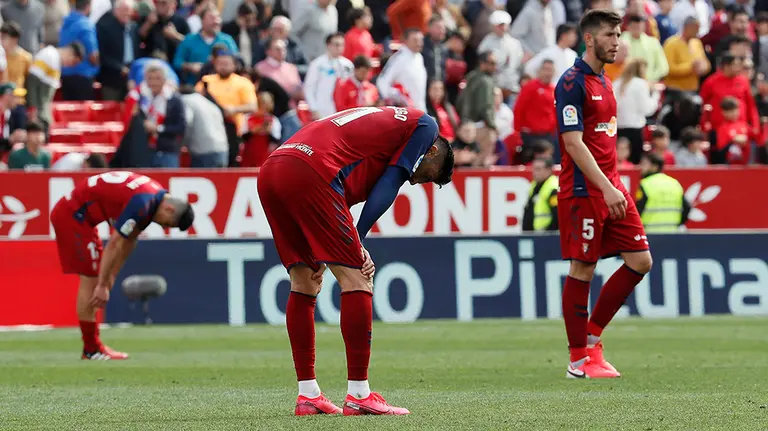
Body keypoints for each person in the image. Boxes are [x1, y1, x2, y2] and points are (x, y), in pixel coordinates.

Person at [257, 106, 453, 416]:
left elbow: (335, 197)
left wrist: (340, 241)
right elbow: (391, 183)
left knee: (305, 280)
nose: (415, 183)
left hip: (274, 168)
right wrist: (358, 240)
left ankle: (308, 394)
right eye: (426, 176)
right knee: (358, 277)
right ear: (431, 152)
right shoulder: (424, 126)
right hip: (313, 169)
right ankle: (359, 394)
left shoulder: (375, 143)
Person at [554, 10, 653, 379]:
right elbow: (573, 143)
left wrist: (614, 185)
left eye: (619, 34)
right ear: (591, 39)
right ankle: (578, 360)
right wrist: (606, 186)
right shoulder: (571, 82)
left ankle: (592, 339)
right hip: (585, 189)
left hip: (612, 185)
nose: (618, 41)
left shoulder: (604, 80)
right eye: (611, 35)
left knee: (640, 261)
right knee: (583, 267)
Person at [50, 171, 194, 359]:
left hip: (82, 217)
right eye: (167, 223)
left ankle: (92, 347)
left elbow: (130, 240)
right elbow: (116, 242)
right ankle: (91, 349)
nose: (164, 227)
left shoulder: (152, 197)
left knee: (96, 275)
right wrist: (102, 285)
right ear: (169, 209)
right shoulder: (143, 202)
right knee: (91, 280)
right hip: (73, 218)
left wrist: (111, 277)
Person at [614, 58, 662, 164]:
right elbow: (647, 110)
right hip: (634, 129)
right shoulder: (640, 84)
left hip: (618, 128)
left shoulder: (617, 83)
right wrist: (655, 96)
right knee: (634, 163)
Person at [304, 33, 353, 119]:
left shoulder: (348, 65)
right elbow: (309, 88)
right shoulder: (317, 64)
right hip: (322, 109)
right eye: (337, 45)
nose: (340, 48)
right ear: (328, 45)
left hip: (342, 111)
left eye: (342, 45)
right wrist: (314, 109)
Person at [635, 153, 689, 232]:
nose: (641, 167)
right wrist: (677, 224)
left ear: (655, 167)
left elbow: (638, 209)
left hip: (650, 233)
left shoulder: (645, 184)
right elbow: (687, 208)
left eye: (644, 164)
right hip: (672, 233)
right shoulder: (674, 183)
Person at [522, 156, 559, 231]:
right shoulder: (534, 186)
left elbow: (558, 215)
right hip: (536, 235)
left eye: (538, 169)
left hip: (548, 235)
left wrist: (548, 232)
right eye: (534, 169)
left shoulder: (553, 188)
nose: (534, 172)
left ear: (548, 170)